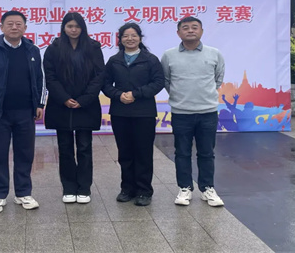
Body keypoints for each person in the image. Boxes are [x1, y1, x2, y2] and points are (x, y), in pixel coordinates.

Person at [0, 10, 47, 213]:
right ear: (1, 27)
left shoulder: (32, 50)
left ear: (25, 27)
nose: (14, 27)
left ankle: (23, 193)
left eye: (18, 24)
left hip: (25, 112)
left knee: (25, 154)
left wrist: (40, 104)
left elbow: (40, 79)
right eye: (10, 24)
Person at [160, 16, 225, 207]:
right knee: (182, 152)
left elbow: (218, 79)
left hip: (207, 112)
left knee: (207, 153)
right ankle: (185, 188)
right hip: (181, 113)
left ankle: (207, 188)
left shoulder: (214, 53)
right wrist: (180, 97)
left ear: (201, 31)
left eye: (194, 27)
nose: (190, 30)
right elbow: (166, 80)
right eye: (185, 27)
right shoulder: (169, 55)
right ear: (178, 32)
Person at [43, 12, 105, 204]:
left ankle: (84, 188)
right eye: (70, 26)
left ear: (82, 28)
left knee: (85, 147)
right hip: (61, 106)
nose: (73, 30)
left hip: (86, 105)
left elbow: (99, 76)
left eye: (77, 26)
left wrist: (84, 99)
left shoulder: (93, 47)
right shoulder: (53, 48)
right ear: (64, 28)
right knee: (65, 148)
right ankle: (69, 187)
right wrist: (64, 98)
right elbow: (50, 77)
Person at [102, 23, 164, 206]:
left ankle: (144, 191)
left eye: (134, 35)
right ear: (120, 39)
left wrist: (136, 94)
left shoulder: (150, 59)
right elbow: (105, 84)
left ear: (140, 38)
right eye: (126, 36)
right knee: (125, 153)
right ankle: (127, 189)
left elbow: (158, 82)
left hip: (144, 113)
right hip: (120, 112)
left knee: (143, 152)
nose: (130, 39)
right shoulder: (114, 60)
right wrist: (118, 95)